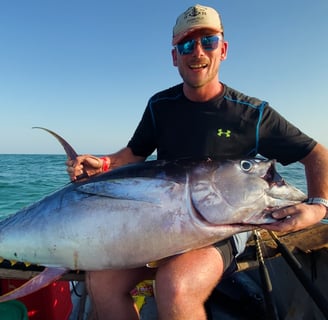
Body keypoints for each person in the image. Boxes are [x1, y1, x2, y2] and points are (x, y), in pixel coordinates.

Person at [67, 4, 328, 320]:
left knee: (175, 284)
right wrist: (105, 163)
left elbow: (317, 154)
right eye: (187, 44)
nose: (198, 52)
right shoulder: (160, 106)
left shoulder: (252, 114)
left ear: (224, 49)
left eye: (209, 41)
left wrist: (317, 207)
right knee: (102, 281)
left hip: (221, 228)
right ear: (175, 56)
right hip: (162, 222)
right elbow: (134, 154)